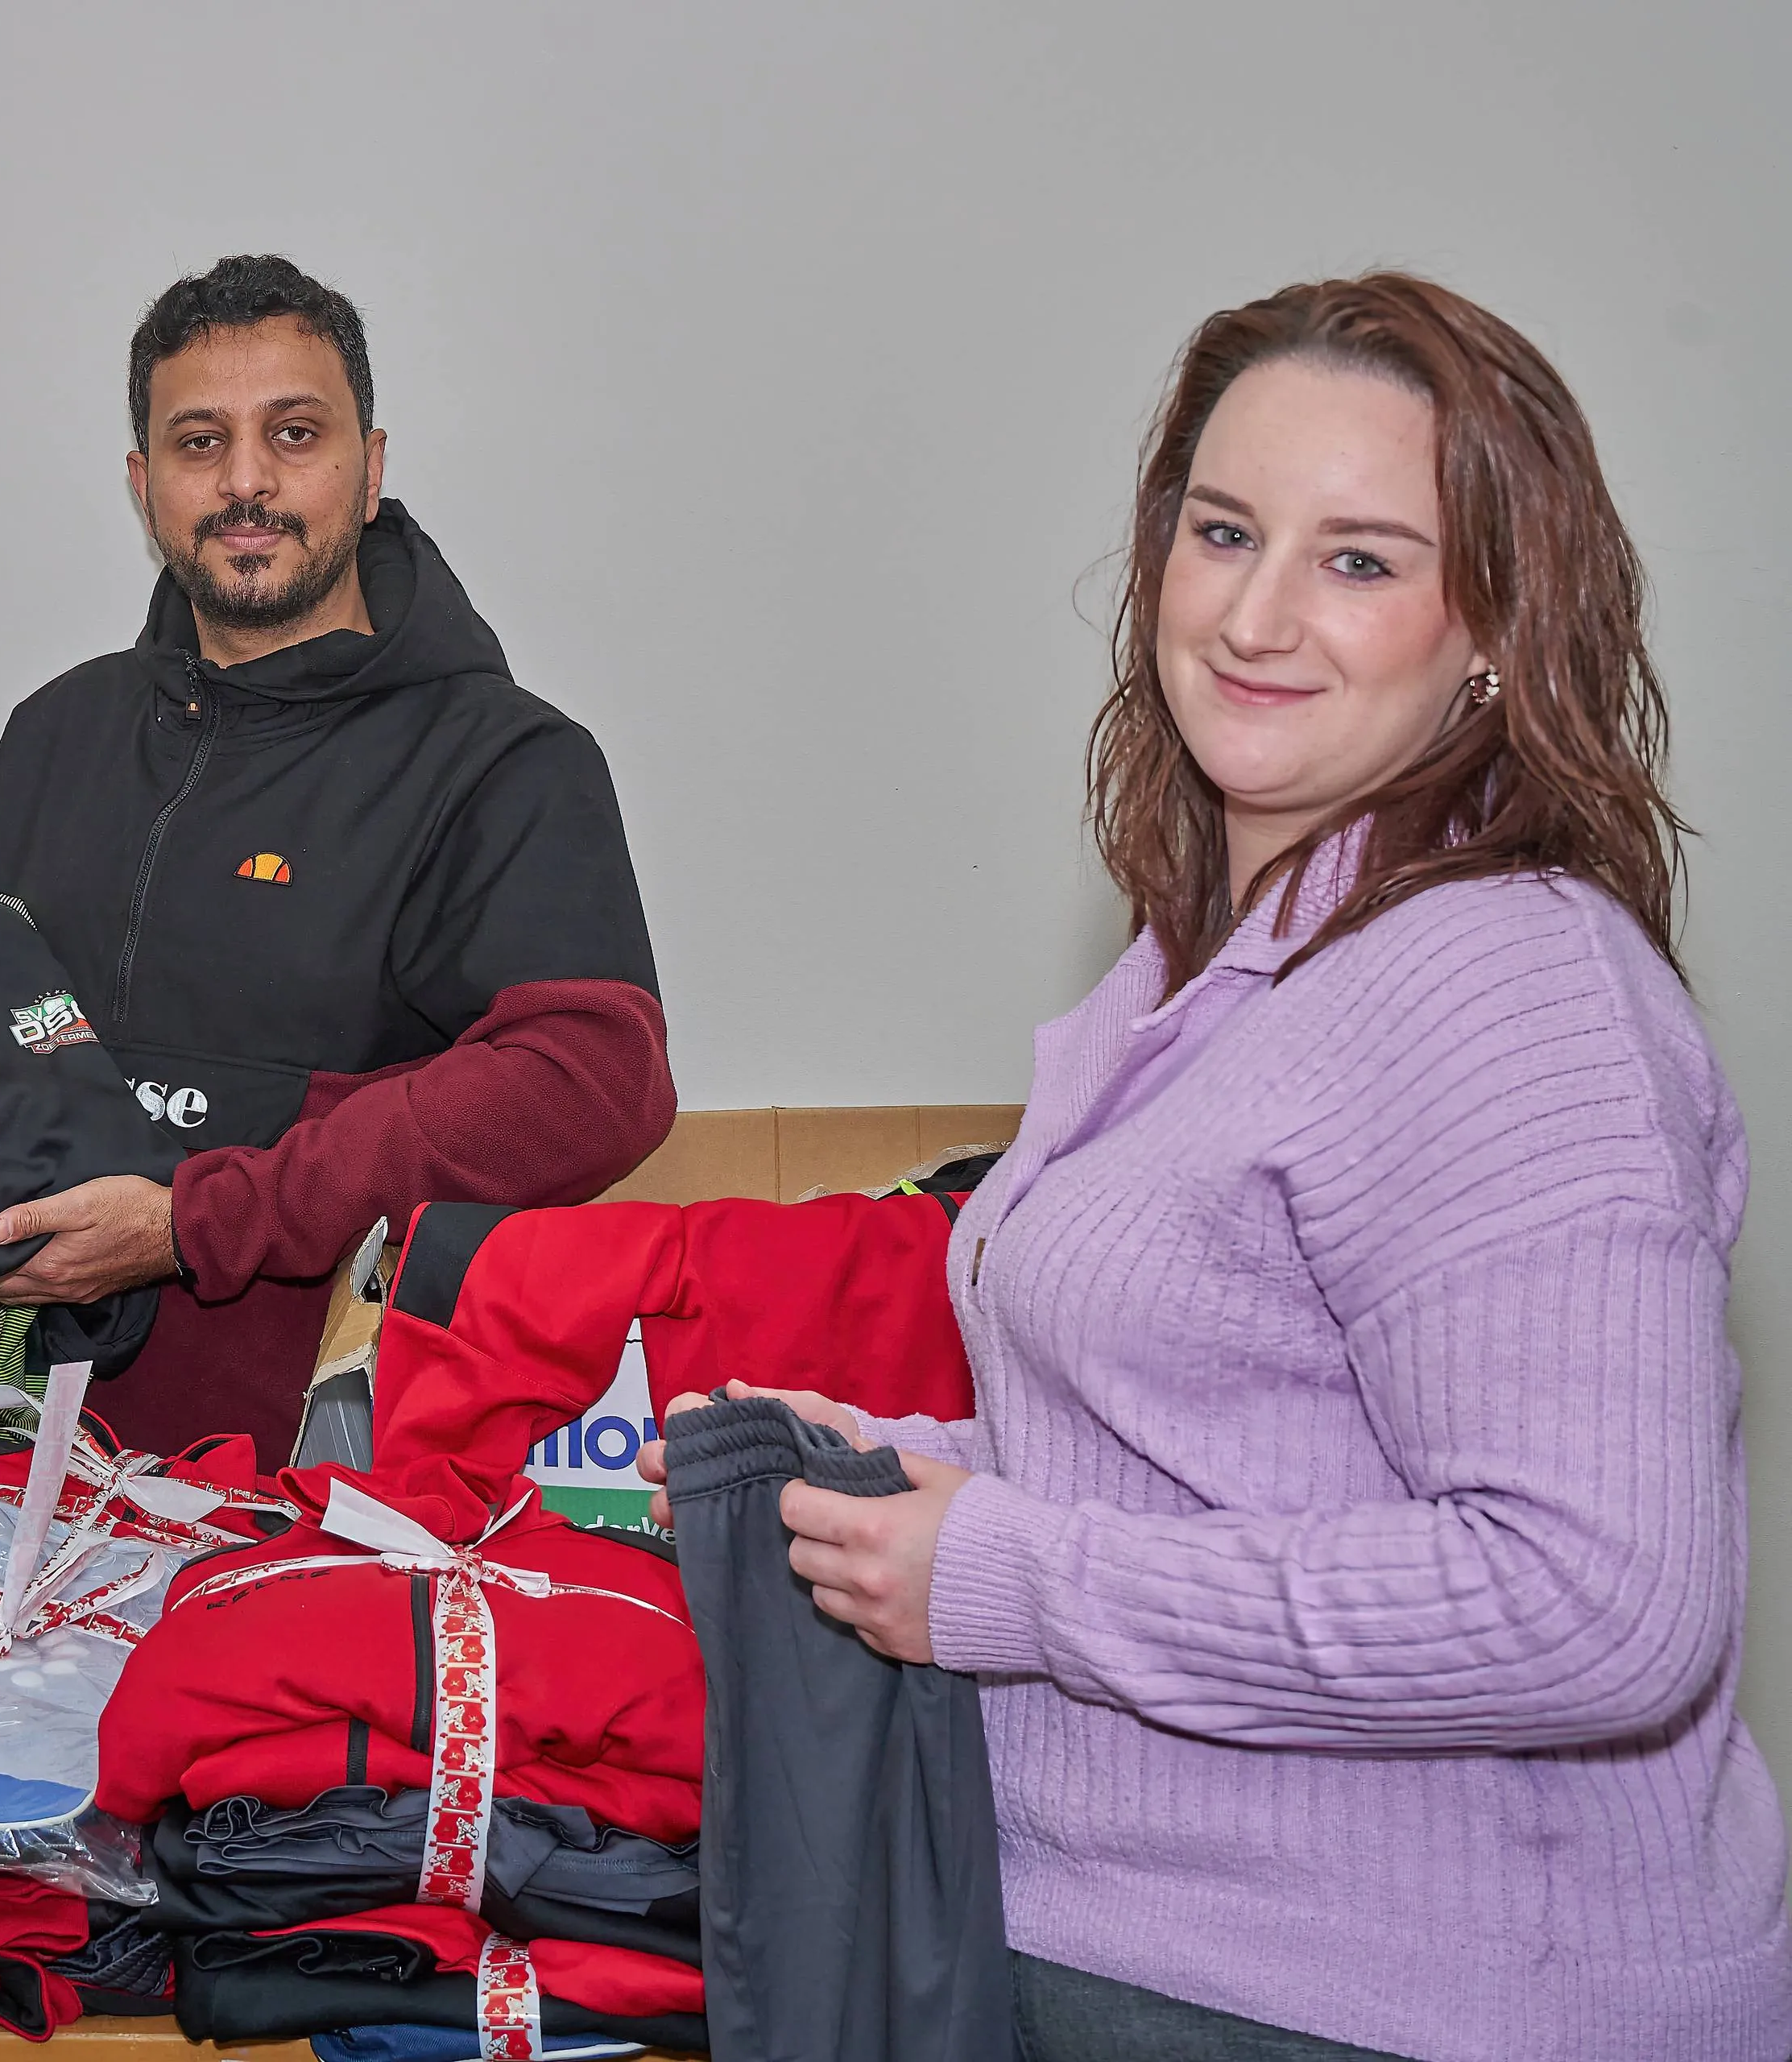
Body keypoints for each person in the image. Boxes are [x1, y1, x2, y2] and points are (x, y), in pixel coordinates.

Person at [651, 275, 1792, 2060]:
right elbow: (1223, 1449)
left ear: (1495, 620)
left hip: (1411, 2003)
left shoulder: (1508, 983)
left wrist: (1015, 1573)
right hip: (1141, 1955)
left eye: (1362, 558)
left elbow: (1599, 1601)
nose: (1258, 614)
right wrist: (899, 1480)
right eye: (1226, 530)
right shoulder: (1215, 964)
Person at [0, 255, 674, 1465]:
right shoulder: (53, 734)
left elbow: (592, 1081)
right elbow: (15, 1050)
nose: (246, 481)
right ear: (143, 485)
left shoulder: (503, 758)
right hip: (37, 1475)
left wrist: (199, 1220)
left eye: (294, 433)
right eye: (199, 442)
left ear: (373, 465)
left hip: (347, 1495)